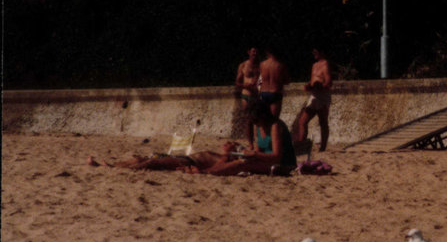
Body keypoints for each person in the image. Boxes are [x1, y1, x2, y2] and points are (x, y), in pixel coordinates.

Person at [199, 101, 297, 176]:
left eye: (256, 120)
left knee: (243, 164)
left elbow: (277, 156)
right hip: (267, 161)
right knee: (232, 156)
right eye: (252, 121)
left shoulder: (275, 126)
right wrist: (245, 152)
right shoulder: (258, 126)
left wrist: (253, 154)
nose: (254, 123)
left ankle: (206, 172)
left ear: (263, 116)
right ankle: (209, 170)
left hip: (282, 164)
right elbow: (259, 150)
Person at [89, 141, 243, 172]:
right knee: (140, 159)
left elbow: (216, 168)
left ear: (234, 149)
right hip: (184, 157)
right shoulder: (221, 155)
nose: (225, 143)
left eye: (229, 143)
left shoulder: (225, 159)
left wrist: (192, 170)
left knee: (151, 162)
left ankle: (111, 167)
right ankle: (112, 165)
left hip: (186, 160)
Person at [293, 47, 333, 151]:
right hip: (314, 96)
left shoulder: (326, 64)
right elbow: (312, 81)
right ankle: (302, 145)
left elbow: (328, 83)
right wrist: (309, 86)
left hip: (323, 96)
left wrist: (320, 86)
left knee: (323, 122)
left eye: (316, 51)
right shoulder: (314, 65)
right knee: (302, 121)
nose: (314, 53)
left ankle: (323, 148)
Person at [234, 47, 262, 148]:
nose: (255, 53)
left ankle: (259, 142)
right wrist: (246, 86)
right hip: (246, 94)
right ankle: (250, 143)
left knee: (259, 120)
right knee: (249, 120)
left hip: (258, 95)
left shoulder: (261, 65)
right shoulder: (243, 65)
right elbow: (237, 82)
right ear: (249, 52)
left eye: (257, 51)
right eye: (253, 51)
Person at [258, 48, 290, 120]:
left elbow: (260, 79)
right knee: (274, 120)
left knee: (264, 120)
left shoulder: (262, 64)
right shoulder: (280, 65)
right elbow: (287, 81)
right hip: (275, 92)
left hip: (264, 92)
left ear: (267, 52)